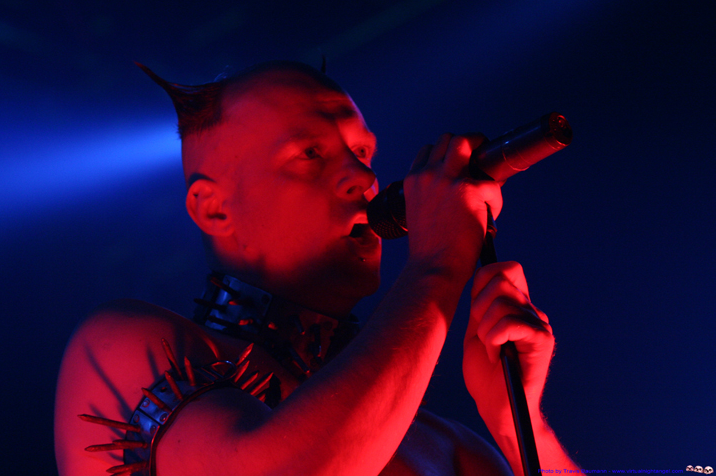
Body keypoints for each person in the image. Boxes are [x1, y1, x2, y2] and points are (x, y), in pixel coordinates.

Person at [54, 60, 579, 476]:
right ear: (214, 209)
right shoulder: (122, 344)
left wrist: (521, 426)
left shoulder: (445, 443)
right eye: (310, 153)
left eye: (363, 152)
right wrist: (438, 266)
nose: (363, 178)